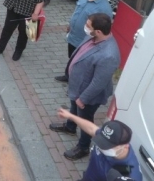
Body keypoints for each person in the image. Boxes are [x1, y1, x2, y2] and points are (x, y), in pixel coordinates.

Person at [49, 13, 121, 160]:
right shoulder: (93, 37)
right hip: (77, 88)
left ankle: (83, 147)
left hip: (88, 96)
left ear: (98, 31)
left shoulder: (109, 55)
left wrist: (83, 99)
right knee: (74, 109)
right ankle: (70, 127)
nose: (85, 27)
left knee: (85, 120)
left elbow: (98, 82)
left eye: (88, 26)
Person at [55, 0, 113, 83]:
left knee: (80, 64)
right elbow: (77, 10)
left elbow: (102, 31)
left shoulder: (104, 9)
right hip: (73, 36)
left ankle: (75, 83)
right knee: (72, 57)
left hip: (85, 42)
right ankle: (68, 75)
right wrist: (71, 25)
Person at [55, 112, 143, 181]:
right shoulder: (108, 137)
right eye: (102, 142)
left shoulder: (130, 174)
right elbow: (91, 129)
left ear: (125, 146)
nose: (102, 147)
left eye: (107, 146)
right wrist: (71, 116)